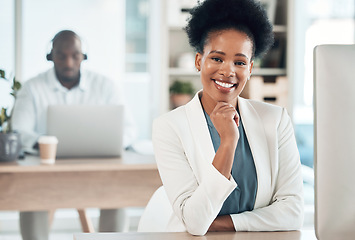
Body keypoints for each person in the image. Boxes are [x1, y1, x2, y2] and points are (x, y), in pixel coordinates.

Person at [152, 0, 303, 236]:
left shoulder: (276, 120)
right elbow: (194, 221)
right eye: (217, 58)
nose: (228, 71)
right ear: (199, 61)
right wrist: (229, 141)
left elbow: (293, 212)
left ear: (250, 68)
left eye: (240, 62)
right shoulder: (169, 127)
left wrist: (221, 223)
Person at [11, 30, 136, 240]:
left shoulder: (105, 86)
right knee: (30, 197)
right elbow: (19, 131)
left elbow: (129, 130)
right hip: (46, 173)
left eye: (75, 55)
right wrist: (47, 146)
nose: (68, 62)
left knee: (118, 194)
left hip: (97, 170)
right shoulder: (32, 88)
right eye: (61, 55)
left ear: (83, 56)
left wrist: (111, 144)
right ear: (50, 56)